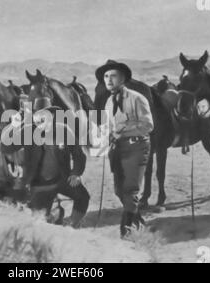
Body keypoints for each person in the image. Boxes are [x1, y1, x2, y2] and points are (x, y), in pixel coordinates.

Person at [95, 60, 154, 238]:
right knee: (119, 191)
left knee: (130, 190)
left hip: (137, 147)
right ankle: (139, 222)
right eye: (106, 76)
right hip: (117, 150)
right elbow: (110, 127)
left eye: (113, 76)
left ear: (123, 79)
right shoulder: (108, 102)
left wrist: (123, 131)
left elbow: (148, 125)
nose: (109, 80)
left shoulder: (137, 98)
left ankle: (125, 232)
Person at [21, 97, 90, 228]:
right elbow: (15, 153)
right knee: (41, 220)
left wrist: (76, 173)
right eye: (38, 115)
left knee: (83, 197)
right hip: (39, 183)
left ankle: (72, 225)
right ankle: (55, 217)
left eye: (46, 114)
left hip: (62, 178)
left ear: (52, 115)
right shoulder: (29, 133)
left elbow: (79, 155)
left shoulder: (64, 130)